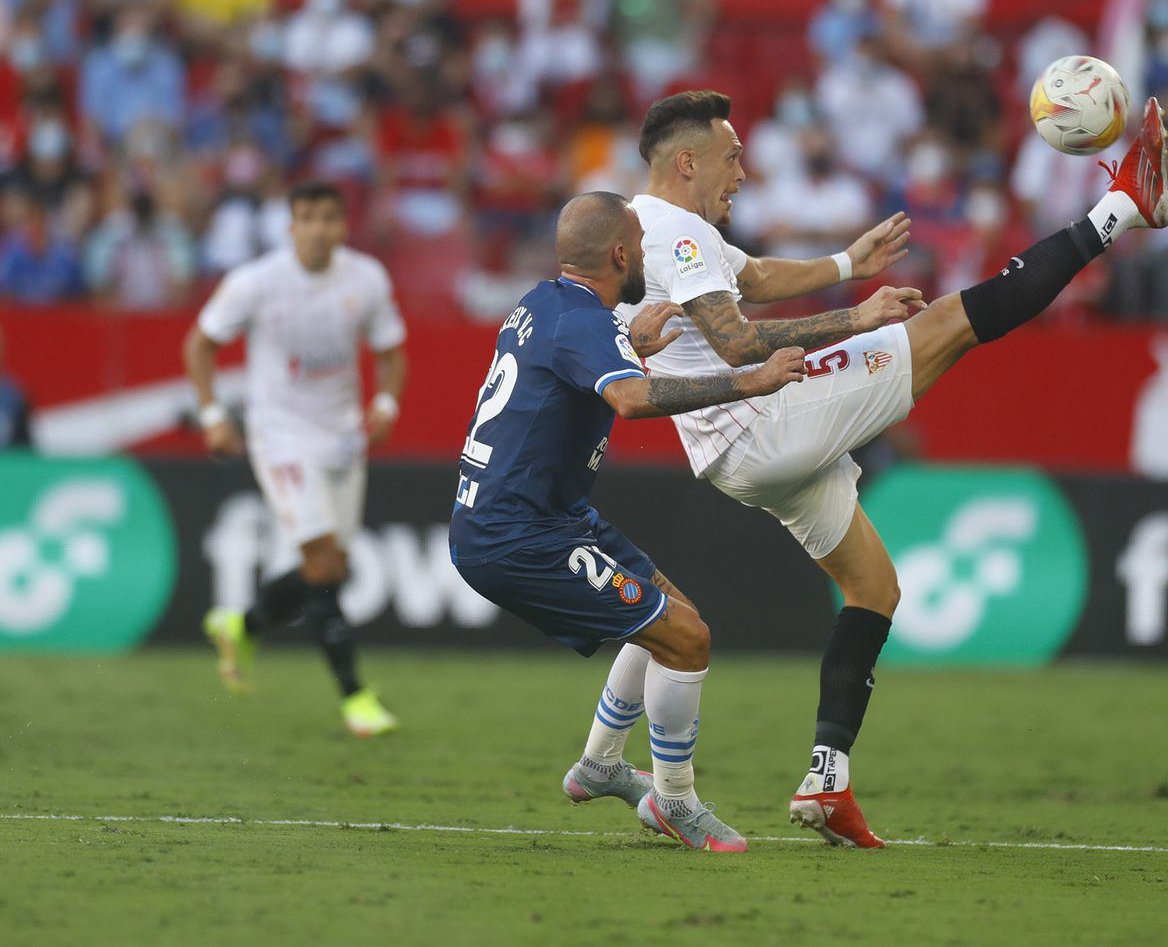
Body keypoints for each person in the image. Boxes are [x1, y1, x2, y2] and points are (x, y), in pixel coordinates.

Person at [616, 89, 1168, 846]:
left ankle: (828, 778)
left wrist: (849, 261)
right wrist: (857, 312)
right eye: (732, 157)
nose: (744, 172)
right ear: (687, 162)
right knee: (947, 322)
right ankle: (1118, 208)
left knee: (874, 587)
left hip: (735, 453)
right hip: (766, 422)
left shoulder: (649, 224)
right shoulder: (678, 233)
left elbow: (752, 280)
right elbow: (739, 343)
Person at [448, 192, 806, 852]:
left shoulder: (544, 302)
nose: (646, 256)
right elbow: (632, 398)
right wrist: (751, 382)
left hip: (546, 517)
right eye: (640, 246)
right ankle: (677, 802)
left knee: (669, 616)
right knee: (687, 640)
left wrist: (629, 340)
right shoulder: (583, 325)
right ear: (620, 254)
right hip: (518, 536)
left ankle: (601, 764)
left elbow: (576, 362)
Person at [182, 181, 407, 737]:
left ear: (342, 225)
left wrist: (384, 402)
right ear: (290, 225)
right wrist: (212, 415)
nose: (317, 229)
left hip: (343, 436)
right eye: (306, 218)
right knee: (325, 564)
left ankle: (243, 624)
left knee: (331, 569)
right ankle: (355, 697)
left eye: (328, 218)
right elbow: (201, 343)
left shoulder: (366, 278)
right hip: (279, 432)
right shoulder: (256, 283)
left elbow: (391, 350)